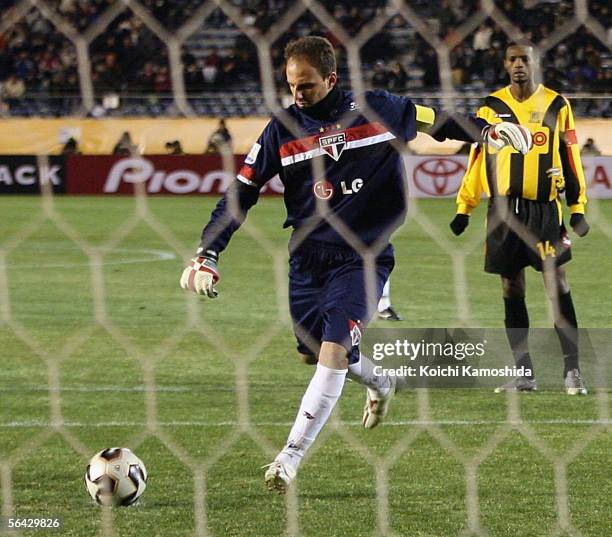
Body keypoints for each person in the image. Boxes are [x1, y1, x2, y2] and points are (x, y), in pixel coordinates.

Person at [180, 36, 530, 493]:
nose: (297, 94)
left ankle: (288, 458)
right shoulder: (281, 129)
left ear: (331, 78)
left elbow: (436, 121)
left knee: (331, 351)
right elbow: (241, 192)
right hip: (307, 259)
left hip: (363, 256)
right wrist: (208, 252)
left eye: (305, 85)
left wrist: (486, 130)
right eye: (290, 85)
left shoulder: (378, 107)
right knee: (312, 353)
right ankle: (382, 381)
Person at [450, 43, 589, 396]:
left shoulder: (557, 105)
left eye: (525, 59)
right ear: (504, 64)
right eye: (512, 59)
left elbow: (570, 156)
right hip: (502, 212)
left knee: (556, 286)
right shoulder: (491, 107)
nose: (518, 65)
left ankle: (573, 371)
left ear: (536, 63)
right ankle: (524, 373)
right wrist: (464, 207)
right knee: (511, 288)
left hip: (543, 210)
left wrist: (577, 207)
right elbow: (477, 159)